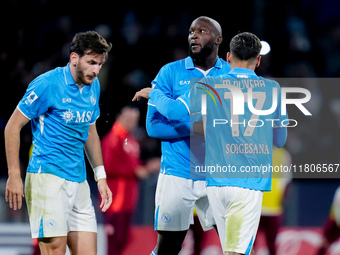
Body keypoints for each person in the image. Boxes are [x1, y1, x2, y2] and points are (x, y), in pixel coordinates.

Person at [133, 32, 288, 255]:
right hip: (247, 184)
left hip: (215, 184)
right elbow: (279, 140)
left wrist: (154, 94)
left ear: (228, 57)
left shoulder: (209, 85)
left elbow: (174, 111)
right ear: (258, 60)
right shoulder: (273, 90)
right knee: (237, 251)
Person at [5, 31, 113, 255]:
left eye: (100, 64)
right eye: (91, 62)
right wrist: (14, 175)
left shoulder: (93, 86)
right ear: (74, 58)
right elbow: (12, 127)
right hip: (48, 178)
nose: (96, 70)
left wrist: (100, 176)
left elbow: (90, 129)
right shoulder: (47, 84)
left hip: (79, 181)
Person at [145, 16, 231, 255]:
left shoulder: (231, 75)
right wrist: (195, 128)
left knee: (235, 245)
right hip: (177, 172)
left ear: (218, 39)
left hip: (219, 174)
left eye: (202, 31)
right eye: (191, 31)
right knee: (169, 247)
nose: (194, 35)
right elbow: (153, 127)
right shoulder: (169, 73)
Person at [101, 106, 160, 255]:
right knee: (115, 241)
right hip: (116, 199)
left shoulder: (130, 140)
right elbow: (107, 166)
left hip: (128, 198)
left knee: (123, 239)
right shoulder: (113, 138)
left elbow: (133, 164)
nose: (132, 122)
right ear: (119, 117)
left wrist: (146, 167)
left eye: (135, 120)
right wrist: (137, 171)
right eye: (129, 119)